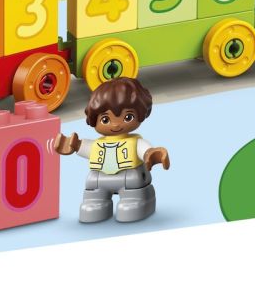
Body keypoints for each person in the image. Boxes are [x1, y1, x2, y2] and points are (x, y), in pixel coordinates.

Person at [54, 77, 170, 222]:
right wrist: (74, 145)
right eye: (105, 119)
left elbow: (145, 150)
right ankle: (95, 202)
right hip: (99, 179)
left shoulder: (135, 142)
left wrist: (151, 154)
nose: (115, 125)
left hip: (129, 179)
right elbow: (86, 147)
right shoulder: (97, 144)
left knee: (131, 196)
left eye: (127, 117)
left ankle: (135, 201)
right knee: (92, 191)